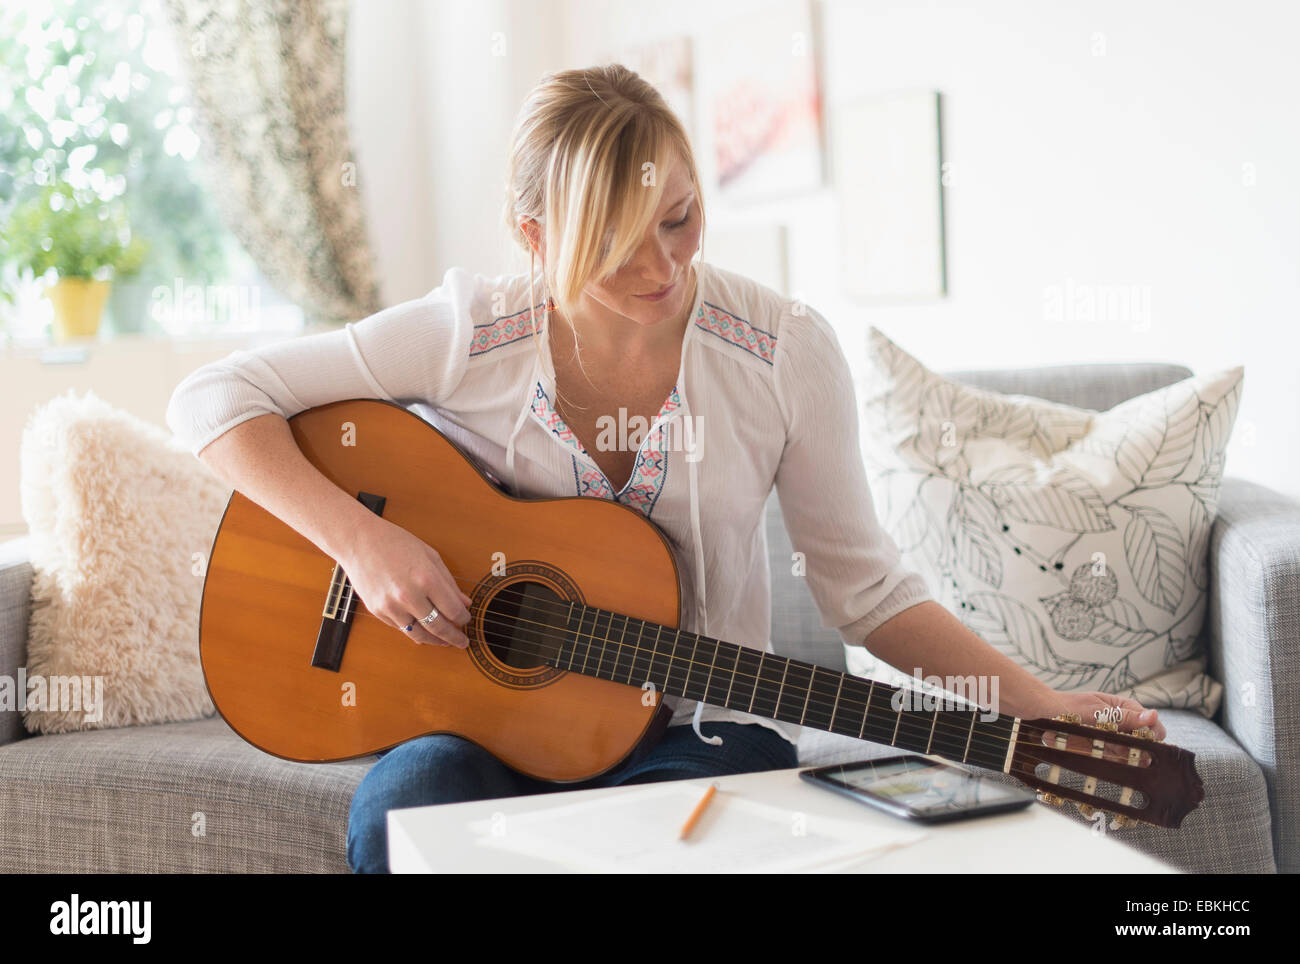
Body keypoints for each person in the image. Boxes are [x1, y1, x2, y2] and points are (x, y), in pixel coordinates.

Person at [165, 64, 1164, 874]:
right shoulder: (470, 333)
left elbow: (865, 589)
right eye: (614, 243)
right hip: (483, 733)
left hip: (704, 724)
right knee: (404, 811)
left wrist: (1044, 709)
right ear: (535, 238)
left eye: (678, 220)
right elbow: (211, 400)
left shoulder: (782, 351)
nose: (662, 269)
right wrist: (363, 539)